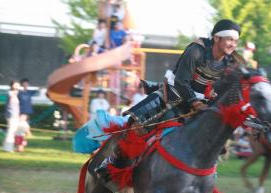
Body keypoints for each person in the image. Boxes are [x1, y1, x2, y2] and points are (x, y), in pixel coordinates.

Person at [95, 19, 243, 179]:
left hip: (205, 104)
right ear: (216, 38)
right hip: (174, 94)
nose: (232, 44)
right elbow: (181, 81)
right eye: (229, 39)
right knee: (139, 124)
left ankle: (205, 175)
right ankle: (111, 162)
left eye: (235, 41)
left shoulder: (232, 62)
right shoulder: (196, 50)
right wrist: (195, 102)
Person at [2, 81, 21, 152]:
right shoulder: (10, 93)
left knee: (12, 132)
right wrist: (15, 91)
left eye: (18, 85)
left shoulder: (16, 94)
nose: (18, 86)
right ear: (12, 85)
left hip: (16, 116)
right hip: (11, 115)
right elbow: (10, 100)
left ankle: (7, 147)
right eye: (16, 85)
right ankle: (8, 148)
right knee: (11, 132)